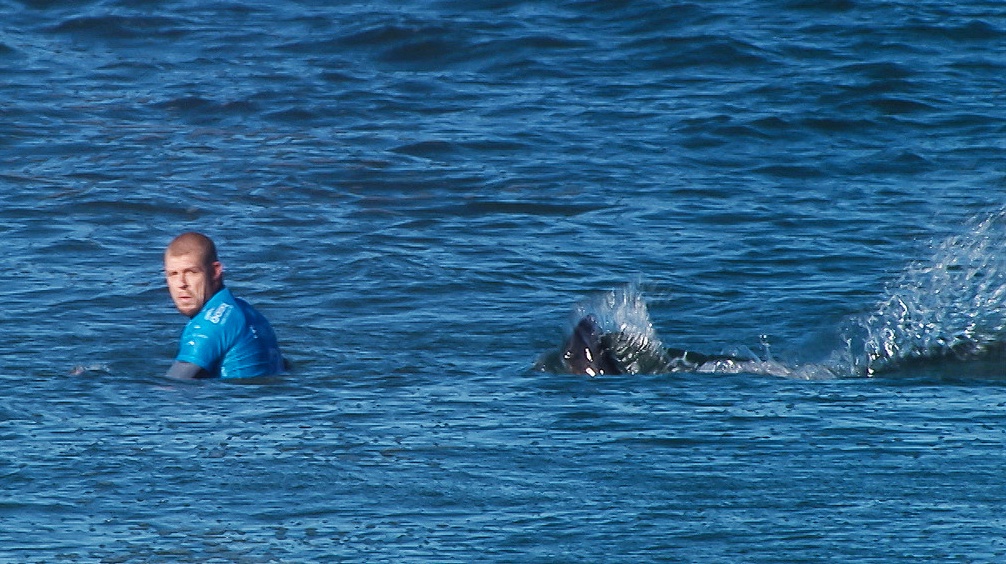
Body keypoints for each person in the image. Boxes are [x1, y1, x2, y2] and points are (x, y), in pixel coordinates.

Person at [163, 232, 285, 379]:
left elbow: (174, 386)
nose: (181, 284)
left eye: (191, 272)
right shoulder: (248, 312)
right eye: (173, 274)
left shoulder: (208, 326)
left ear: (215, 272)